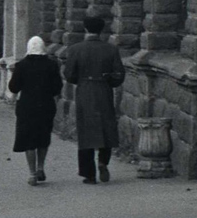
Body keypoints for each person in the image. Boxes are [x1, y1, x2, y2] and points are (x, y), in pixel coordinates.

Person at [63, 15, 125, 185]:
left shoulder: (75, 49)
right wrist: (109, 82)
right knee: (106, 127)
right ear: (101, 30)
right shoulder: (111, 49)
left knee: (86, 130)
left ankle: (89, 174)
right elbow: (119, 75)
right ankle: (103, 161)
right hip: (104, 89)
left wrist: (80, 80)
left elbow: (69, 74)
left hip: (84, 90)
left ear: (85, 29)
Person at [8, 36, 63, 186]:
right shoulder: (51, 65)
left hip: (27, 106)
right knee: (43, 137)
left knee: (29, 139)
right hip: (46, 105)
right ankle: (41, 167)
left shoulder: (21, 66)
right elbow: (57, 87)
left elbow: (13, 87)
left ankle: (32, 173)